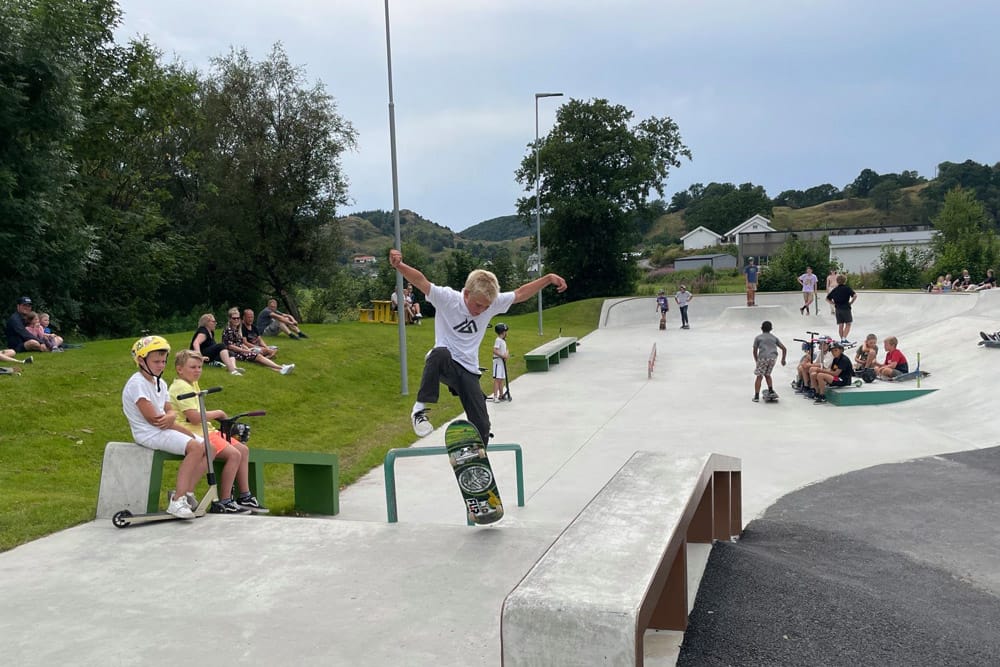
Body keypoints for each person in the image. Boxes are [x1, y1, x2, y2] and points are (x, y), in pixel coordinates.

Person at [388, 248, 567, 443]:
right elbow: (420, 281)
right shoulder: (447, 298)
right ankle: (419, 411)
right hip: (446, 364)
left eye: (486, 307)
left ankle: (477, 455)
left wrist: (548, 278)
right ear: (466, 294)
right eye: (478, 305)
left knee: (482, 425)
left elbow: (520, 293)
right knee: (440, 353)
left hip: (469, 370)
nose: (481, 311)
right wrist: (399, 265)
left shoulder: (492, 302)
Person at [168, 349, 268, 513]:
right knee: (234, 455)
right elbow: (194, 417)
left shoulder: (191, 383)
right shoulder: (182, 387)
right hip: (197, 433)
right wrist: (219, 413)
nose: (197, 371)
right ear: (179, 369)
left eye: (200, 367)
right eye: (193, 367)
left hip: (206, 430)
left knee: (243, 450)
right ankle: (225, 501)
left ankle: (245, 496)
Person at [121, 336, 206, 519]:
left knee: (208, 447)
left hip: (163, 429)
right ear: (141, 360)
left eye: (163, 361)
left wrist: (172, 416)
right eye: (156, 362)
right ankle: (177, 500)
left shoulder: (160, 382)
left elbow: (169, 410)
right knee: (195, 447)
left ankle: (186, 492)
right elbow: (155, 420)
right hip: (149, 433)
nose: (161, 365)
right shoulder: (137, 384)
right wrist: (172, 419)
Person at [221, 307, 295, 375]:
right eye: (234, 318)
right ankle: (282, 367)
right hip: (234, 353)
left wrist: (247, 349)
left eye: (238, 318)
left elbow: (241, 343)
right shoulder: (228, 330)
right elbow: (230, 346)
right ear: (230, 319)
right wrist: (246, 351)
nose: (236, 320)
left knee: (259, 358)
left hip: (242, 350)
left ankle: (280, 370)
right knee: (258, 356)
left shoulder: (237, 329)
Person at [752, 320, 787, 402]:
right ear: (771, 329)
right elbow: (784, 348)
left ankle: (756, 396)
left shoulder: (758, 338)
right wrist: (783, 359)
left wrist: (757, 361)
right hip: (772, 358)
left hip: (763, 358)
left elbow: (754, 351)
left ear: (761, 328)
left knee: (759, 376)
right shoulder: (774, 338)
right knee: (767, 374)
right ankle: (770, 390)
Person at [825, 274, 857, 342]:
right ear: (845, 281)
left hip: (838, 309)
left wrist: (833, 303)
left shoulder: (835, 289)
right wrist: (851, 302)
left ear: (837, 281)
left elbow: (827, 299)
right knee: (848, 324)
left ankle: (842, 339)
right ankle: (844, 339)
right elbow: (855, 295)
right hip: (846, 308)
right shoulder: (847, 288)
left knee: (841, 325)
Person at [491, 323, 510, 402]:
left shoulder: (503, 340)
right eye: (505, 331)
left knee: (501, 379)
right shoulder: (498, 340)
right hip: (498, 362)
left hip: (502, 362)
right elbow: (494, 350)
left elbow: (506, 349)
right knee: (497, 379)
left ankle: (501, 395)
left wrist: (506, 354)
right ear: (502, 332)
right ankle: (495, 396)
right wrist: (502, 356)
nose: (506, 333)